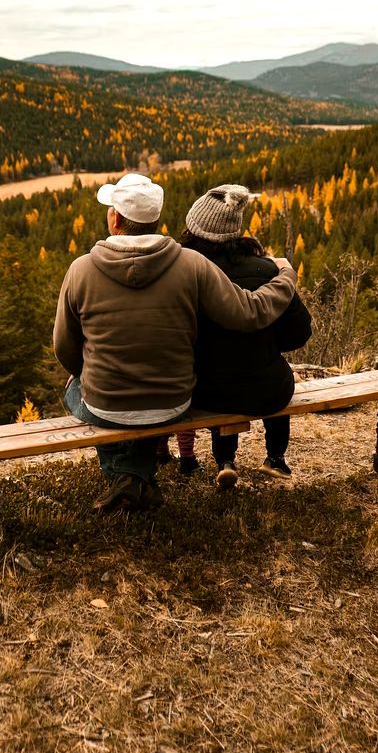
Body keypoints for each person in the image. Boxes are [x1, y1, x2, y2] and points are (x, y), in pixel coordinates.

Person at [53, 173, 298, 512]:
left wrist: (90, 374)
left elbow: (64, 349)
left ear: (114, 218)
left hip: (106, 405)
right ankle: (136, 477)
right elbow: (249, 312)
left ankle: (126, 474)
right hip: (174, 402)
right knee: (141, 399)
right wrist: (285, 277)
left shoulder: (81, 270)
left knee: (75, 386)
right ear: (156, 220)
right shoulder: (191, 264)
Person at [181, 184, 312, 489]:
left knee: (217, 371)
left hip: (206, 393)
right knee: (276, 372)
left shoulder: (186, 274)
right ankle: (276, 458)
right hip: (266, 390)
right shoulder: (267, 271)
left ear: (194, 229)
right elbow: (298, 333)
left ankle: (225, 461)